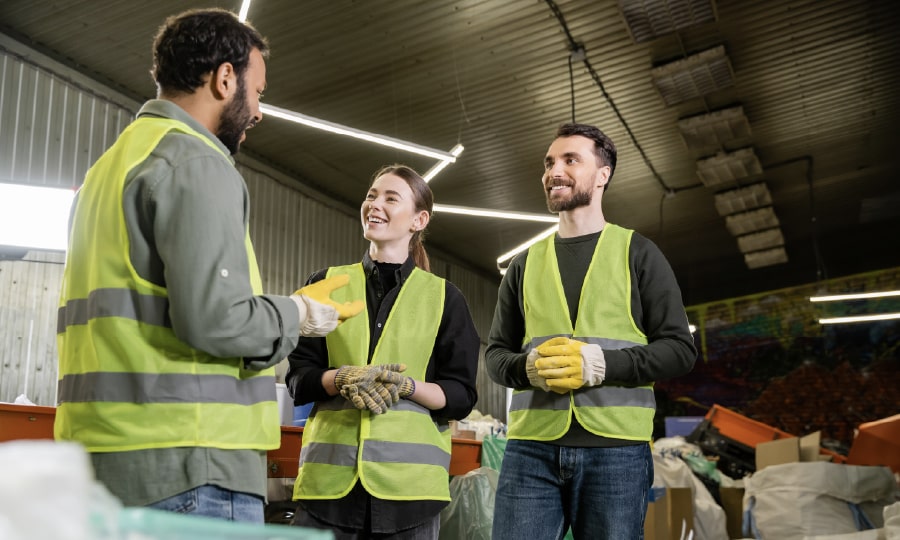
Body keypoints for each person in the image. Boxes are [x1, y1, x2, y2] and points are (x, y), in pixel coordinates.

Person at [54, 8, 363, 523]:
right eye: (259, 92)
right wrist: (298, 314)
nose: (259, 111)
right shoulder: (197, 162)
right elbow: (215, 319)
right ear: (225, 79)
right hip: (190, 465)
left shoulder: (110, 168)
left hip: (103, 461)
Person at [485, 123, 697, 539]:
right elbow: (495, 355)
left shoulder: (638, 253)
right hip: (531, 449)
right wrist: (526, 369)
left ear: (603, 175)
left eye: (570, 160)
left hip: (616, 450)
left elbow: (679, 349)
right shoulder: (525, 264)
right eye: (549, 163)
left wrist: (603, 364)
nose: (553, 171)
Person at [285, 164, 480, 539]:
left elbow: (460, 395)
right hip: (328, 489)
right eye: (372, 195)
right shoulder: (325, 284)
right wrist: (339, 378)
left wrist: (408, 387)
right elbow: (298, 379)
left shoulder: (445, 299)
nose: (375, 204)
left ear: (418, 220)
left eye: (391, 198)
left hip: (410, 494)